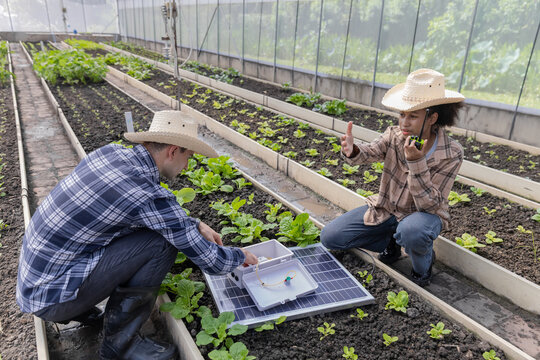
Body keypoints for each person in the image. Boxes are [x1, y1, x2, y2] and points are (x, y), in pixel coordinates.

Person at [16, 110, 258, 360]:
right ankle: (121, 345)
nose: (187, 167)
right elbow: (212, 262)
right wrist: (240, 255)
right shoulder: (145, 192)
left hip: (36, 284)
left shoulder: (111, 153)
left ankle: (81, 310)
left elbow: (142, 214)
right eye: (189, 158)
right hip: (52, 298)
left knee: (143, 231)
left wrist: (194, 223)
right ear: (173, 151)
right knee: (161, 243)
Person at [321, 68, 464, 287]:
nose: (404, 123)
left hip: (422, 216)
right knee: (331, 237)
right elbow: (371, 151)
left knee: (412, 231)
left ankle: (422, 269)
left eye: (413, 116)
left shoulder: (451, 153)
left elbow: (430, 204)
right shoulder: (395, 135)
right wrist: (353, 151)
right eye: (402, 114)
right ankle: (391, 242)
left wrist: (416, 162)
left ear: (432, 117)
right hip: (388, 209)